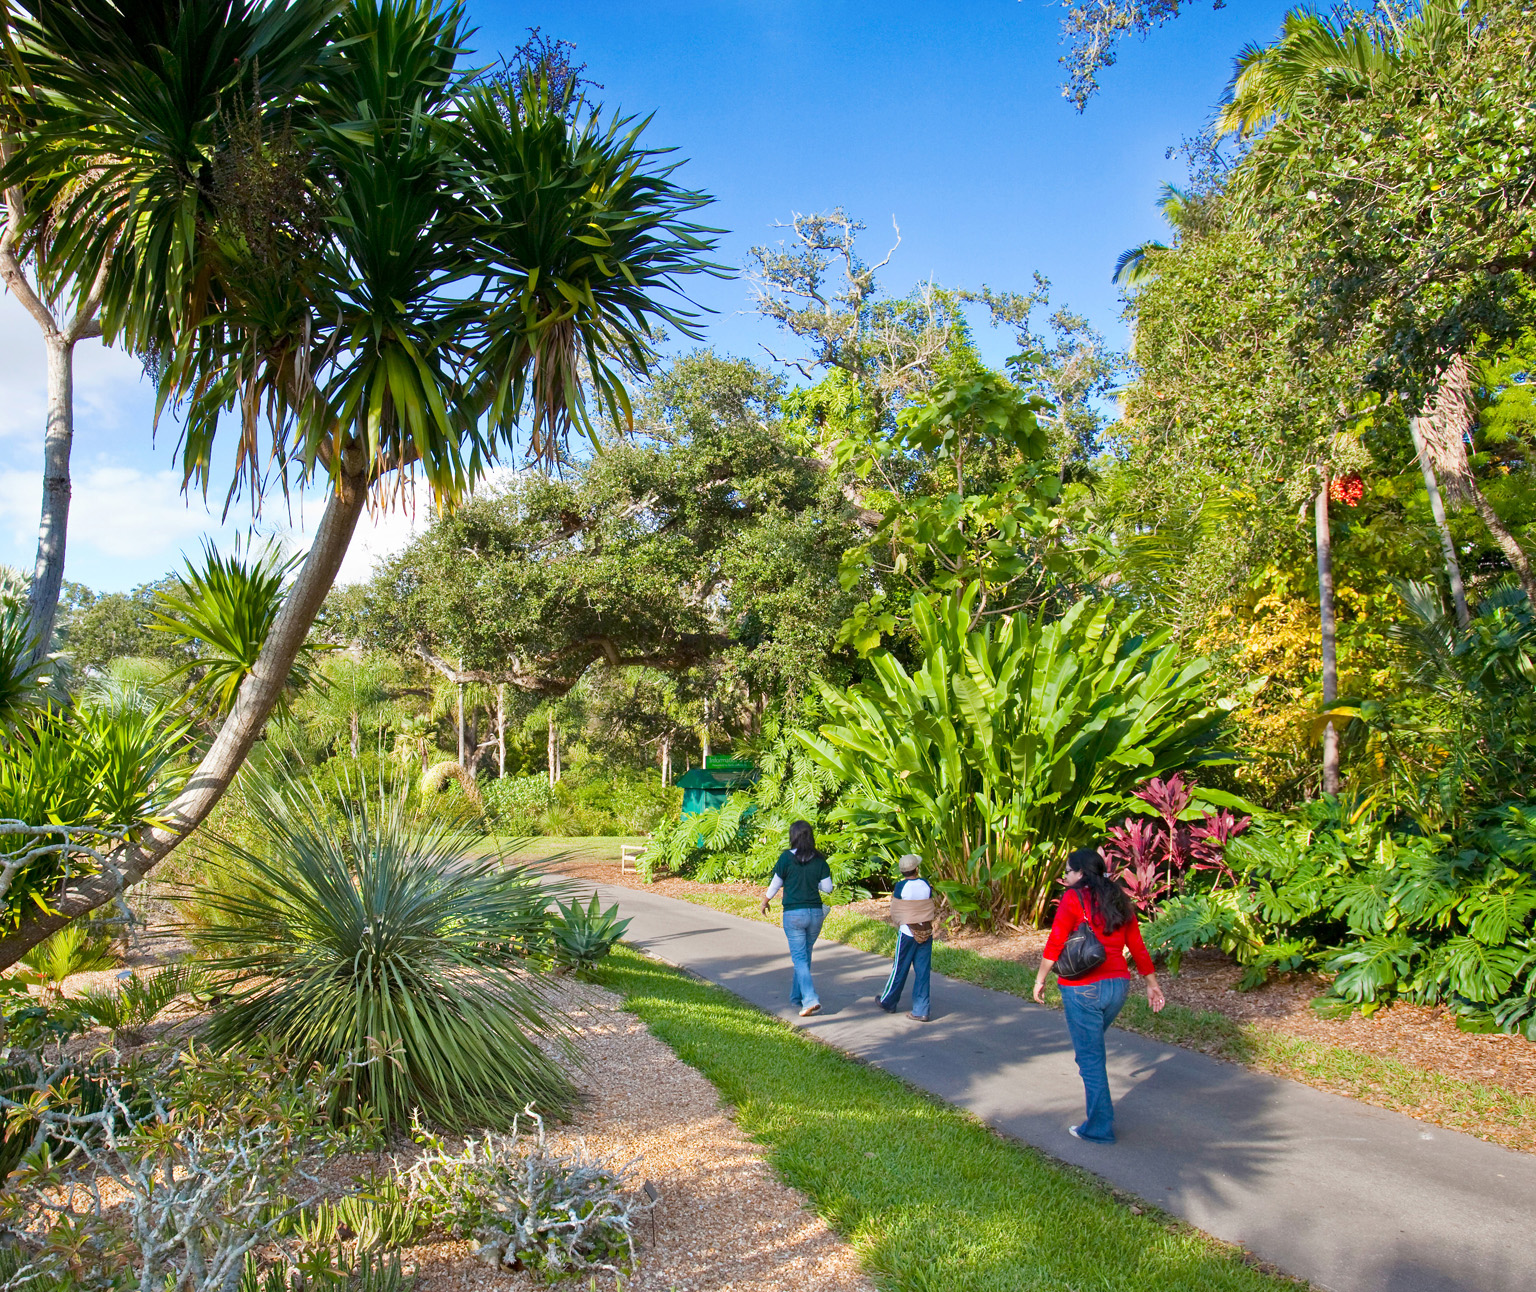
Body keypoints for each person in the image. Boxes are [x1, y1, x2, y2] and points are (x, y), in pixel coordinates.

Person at [1032, 846, 1165, 1144]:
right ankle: (1098, 1117)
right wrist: (1152, 983)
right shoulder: (1119, 897)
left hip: (1082, 987)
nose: (1065, 878)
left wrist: (1040, 978)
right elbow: (1138, 946)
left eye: (1067, 872)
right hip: (1118, 986)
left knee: (1090, 1058)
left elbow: (1056, 941)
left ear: (1080, 872)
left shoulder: (1073, 897)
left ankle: (1098, 1128)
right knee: (1090, 1050)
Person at [760, 820, 834, 1016]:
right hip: (815, 914)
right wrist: (812, 882)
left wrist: (765, 901)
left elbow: (776, 884)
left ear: (792, 837)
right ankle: (797, 996)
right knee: (805, 954)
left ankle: (810, 999)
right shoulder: (820, 861)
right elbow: (828, 888)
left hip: (794, 914)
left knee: (799, 957)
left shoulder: (786, 858)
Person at [879, 853, 934, 1021]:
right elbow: (929, 903)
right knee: (923, 971)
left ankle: (889, 1001)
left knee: (900, 968)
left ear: (903, 871)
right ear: (916, 869)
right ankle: (921, 1010)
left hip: (907, 933)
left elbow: (895, 910)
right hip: (926, 931)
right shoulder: (925, 884)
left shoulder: (901, 887)